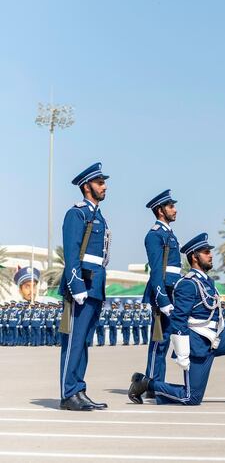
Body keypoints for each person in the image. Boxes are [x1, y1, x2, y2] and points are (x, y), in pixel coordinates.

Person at [128, 233, 225, 406]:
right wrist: (182, 353)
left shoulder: (207, 282)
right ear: (194, 257)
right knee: (191, 398)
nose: (211, 255)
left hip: (215, 337)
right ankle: (145, 383)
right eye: (206, 252)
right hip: (197, 344)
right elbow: (179, 320)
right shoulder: (188, 284)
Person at [58, 162, 111, 411]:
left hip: (95, 286)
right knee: (74, 341)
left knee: (84, 342)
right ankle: (69, 393)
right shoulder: (76, 214)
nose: (105, 187)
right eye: (100, 183)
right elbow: (72, 255)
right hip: (80, 287)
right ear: (87, 186)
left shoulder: (97, 215)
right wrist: (77, 286)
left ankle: (79, 390)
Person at [140, 190, 182, 398]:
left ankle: (156, 383)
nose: (175, 210)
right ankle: (151, 384)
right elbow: (157, 271)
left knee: (166, 339)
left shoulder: (169, 234)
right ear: (160, 210)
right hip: (163, 291)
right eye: (171, 206)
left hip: (173, 290)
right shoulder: (155, 235)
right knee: (159, 341)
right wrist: (162, 299)